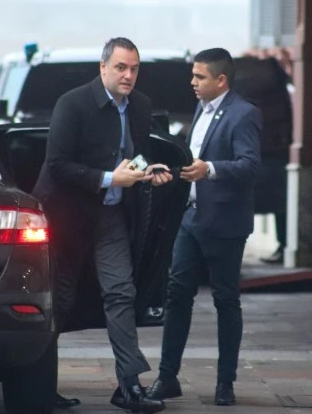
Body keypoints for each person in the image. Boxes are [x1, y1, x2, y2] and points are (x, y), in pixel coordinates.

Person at [32, 37, 171, 413]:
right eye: (121, 68)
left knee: (121, 292)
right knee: (58, 300)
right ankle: (37, 387)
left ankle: (129, 386)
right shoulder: (73, 103)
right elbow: (57, 165)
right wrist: (111, 178)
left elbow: (137, 155)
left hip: (110, 215)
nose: (128, 76)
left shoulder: (140, 105)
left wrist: (146, 171)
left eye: (134, 69)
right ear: (103, 67)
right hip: (66, 217)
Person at [147, 47, 262, 407]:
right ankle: (167, 377)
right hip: (191, 218)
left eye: (200, 76)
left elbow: (250, 165)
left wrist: (209, 169)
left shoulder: (243, 114)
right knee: (177, 295)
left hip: (224, 223)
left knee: (225, 300)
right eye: (193, 75)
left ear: (221, 80)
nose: (192, 82)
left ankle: (225, 382)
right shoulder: (202, 108)